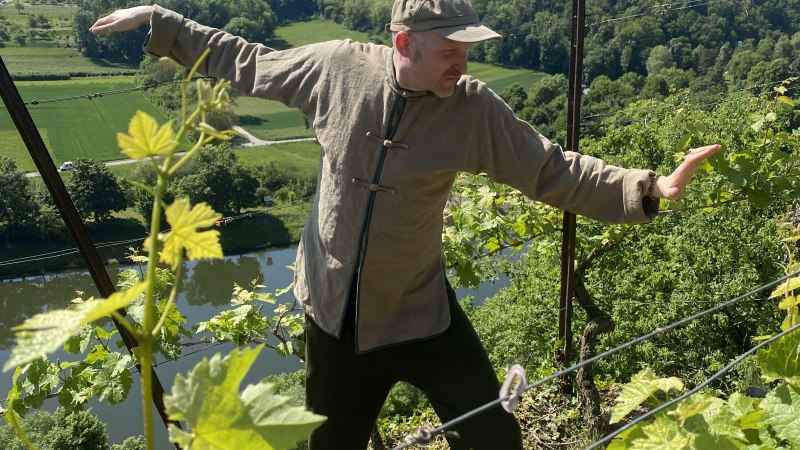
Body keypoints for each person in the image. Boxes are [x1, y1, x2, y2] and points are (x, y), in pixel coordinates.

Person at [91, 1, 721, 448]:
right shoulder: (337, 67)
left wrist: (648, 188)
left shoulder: (472, 110)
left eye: (467, 52)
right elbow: (251, 62)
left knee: (493, 433)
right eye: (451, 52)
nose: (463, 66)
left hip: (421, 314)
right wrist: (163, 22)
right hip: (333, 319)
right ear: (404, 44)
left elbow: (550, 168)